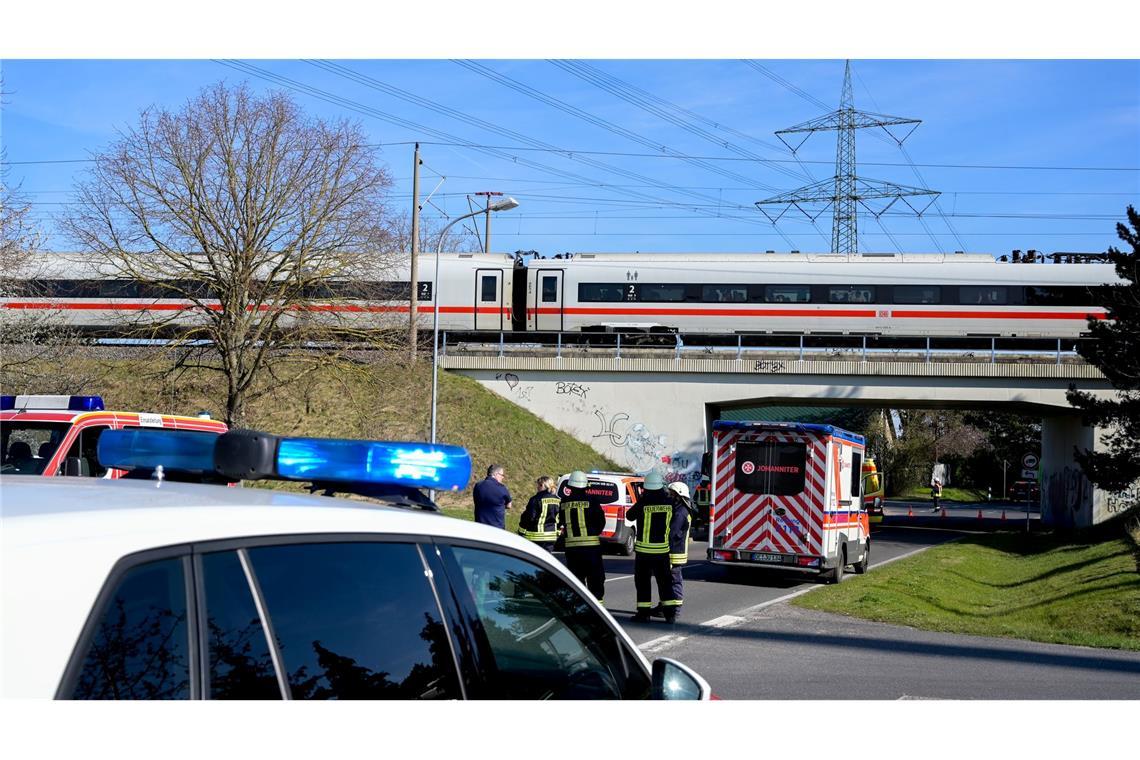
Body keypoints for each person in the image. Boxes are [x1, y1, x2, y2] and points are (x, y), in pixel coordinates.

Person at [626, 470, 679, 623]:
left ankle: (643, 614)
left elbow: (630, 516)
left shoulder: (644, 502)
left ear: (647, 488)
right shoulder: (670, 502)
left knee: (643, 583)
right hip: (662, 551)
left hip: (644, 552)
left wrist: (641, 500)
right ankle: (670, 614)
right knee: (665, 583)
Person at [560, 470, 607, 604]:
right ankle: (598, 609)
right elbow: (601, 522)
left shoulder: (564, 502)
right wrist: (593, 532)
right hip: (591, 548)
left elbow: (562, 520)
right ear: (585, 486)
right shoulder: (592, 500)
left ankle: (580, 607)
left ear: (570, 486)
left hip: (572, 549)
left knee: (577, 580)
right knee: (595, 579)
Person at [651, 481, 694, 619]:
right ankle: (664, 606)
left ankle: (675, 610)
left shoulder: (681, 512)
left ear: (678, 495)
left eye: (672, 493)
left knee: (674, 581)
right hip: (675, 552)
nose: (669, 495)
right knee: (666, 581)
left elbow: (671, 532)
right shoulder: (680, 509)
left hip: (674, 553)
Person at [518, 476, 561, 553]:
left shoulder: (536, 499)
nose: (537, 487)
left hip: (536, 537)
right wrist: (558, 532)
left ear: (542, 485)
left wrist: (521, 531)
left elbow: (529, 517)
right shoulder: (558, 500)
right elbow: (560, 518)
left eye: (538, 485)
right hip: (551, 537)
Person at [472, 463, 512, 529]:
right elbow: (509, 505)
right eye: (502, 475)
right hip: (496, 529)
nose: (503, 477)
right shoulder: (501, 488)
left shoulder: (478, 486)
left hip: (480, 527)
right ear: (496, 474)